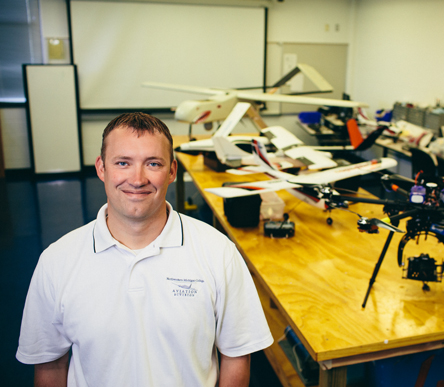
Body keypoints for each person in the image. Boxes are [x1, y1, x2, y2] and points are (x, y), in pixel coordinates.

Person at [16, 112, 273, 386]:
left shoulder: (219, 253)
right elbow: (50, 363)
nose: (137, 179)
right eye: (123, 163)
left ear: (172, 171)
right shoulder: (57, 261)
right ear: (102, 168)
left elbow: (235, 355)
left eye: (153, 163)